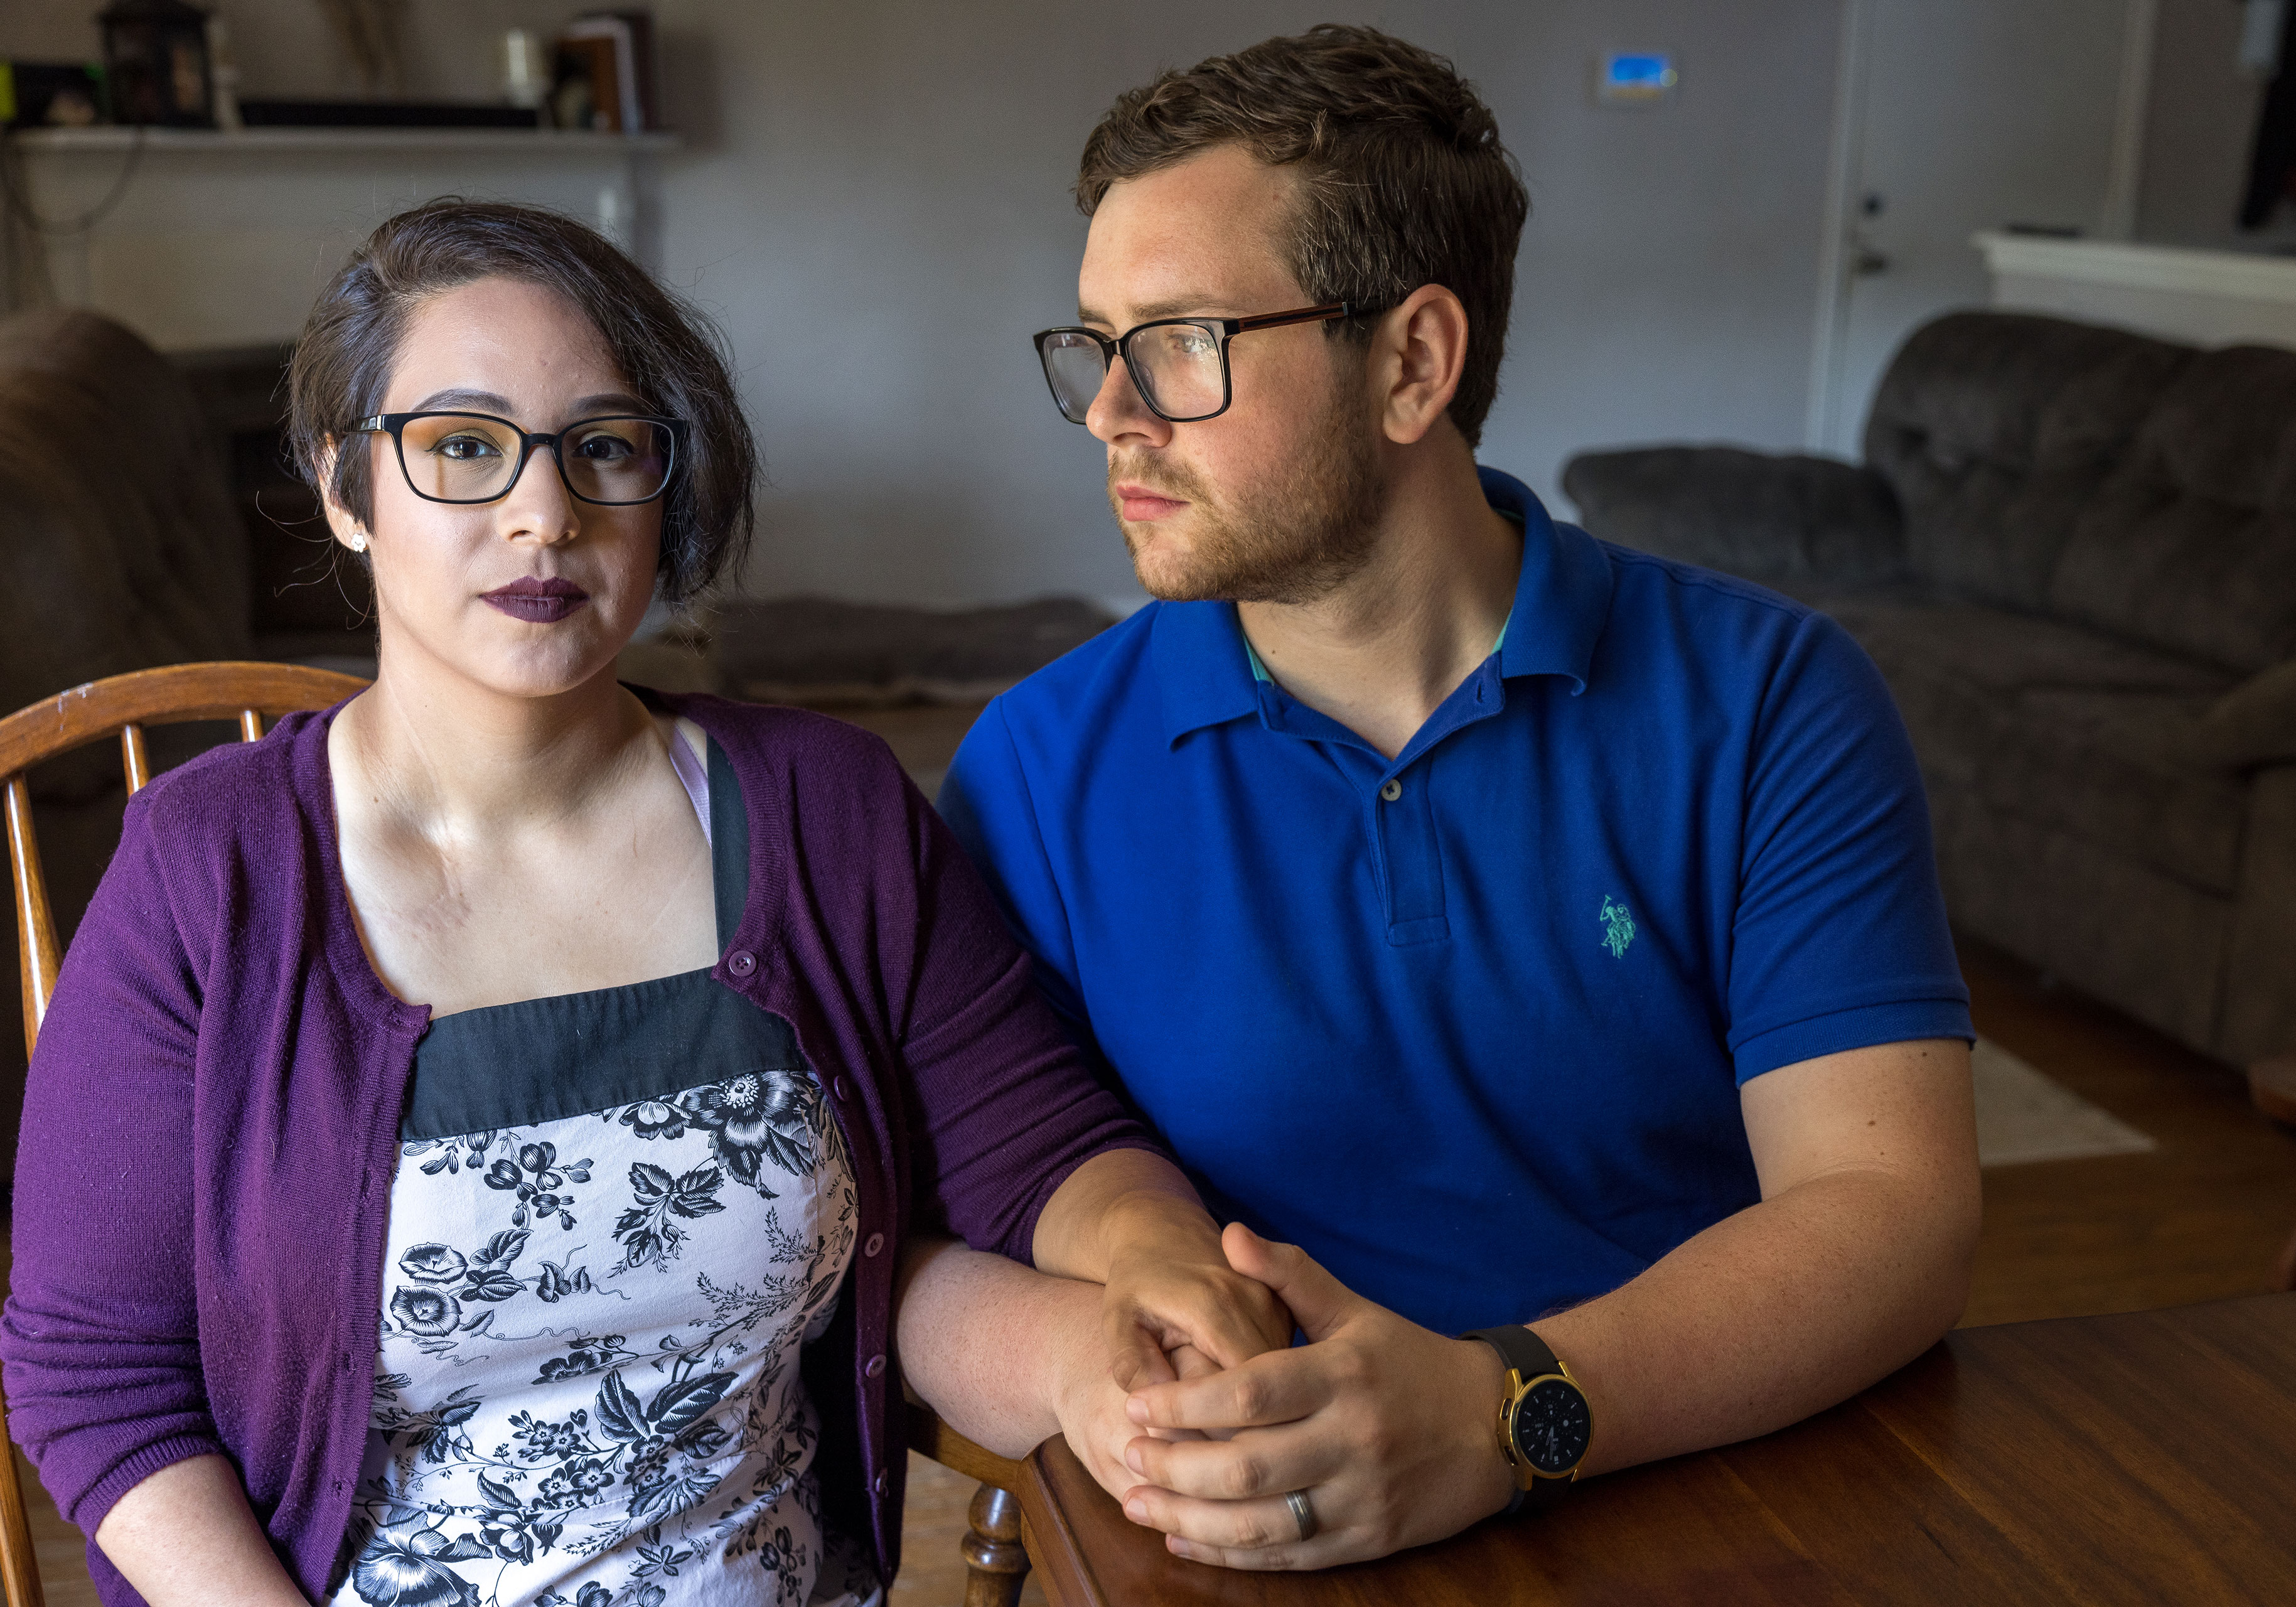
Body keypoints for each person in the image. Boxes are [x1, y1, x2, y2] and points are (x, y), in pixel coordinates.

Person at [0, 198, 1284, 1607]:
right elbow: (95, 1376)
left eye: (605, 447)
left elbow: (1034, 1151)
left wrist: (1120, 1317)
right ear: (345, 487)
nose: (544, 513)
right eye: (465, 447)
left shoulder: (827, 809)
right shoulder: (210, 872)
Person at [916, 24, 1982, 1571]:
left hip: (1702, 1490)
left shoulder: (1769, 701)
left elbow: (1892, 1208)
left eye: (1182, 343)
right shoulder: (1033, 768)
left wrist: (1508, 1410)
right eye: (1096, 342)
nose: (1110, 413)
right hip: (1248, 1538)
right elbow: (949, 1229)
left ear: (1415, 361)